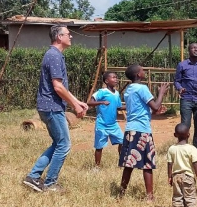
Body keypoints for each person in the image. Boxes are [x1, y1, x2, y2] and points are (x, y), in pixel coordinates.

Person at [22, 25, 89, 193]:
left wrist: (77, 101)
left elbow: (60, 87)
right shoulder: (54, 56)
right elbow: (58, 87)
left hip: (49, 106)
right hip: (52, 107)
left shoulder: (54, 55)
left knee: (58, 143)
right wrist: (74, 105)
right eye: (68, 34)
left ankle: (33, 177)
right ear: (59, 37)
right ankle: (50, 183)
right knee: (64, 145)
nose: (71, 37)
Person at [119, 64, 170, 201]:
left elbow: (146, 109)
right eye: (142, 70)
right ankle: (149, 196)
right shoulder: (142, 88)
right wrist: (161, 93)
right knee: (147, 163)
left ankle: (121, 193)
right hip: (142, 130)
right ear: (138, 75)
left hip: (130, 129)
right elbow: (155, 106)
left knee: (129, 163)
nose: (144, 71)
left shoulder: (129, 89)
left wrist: (155, 110)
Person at [174, 42, 197, 150]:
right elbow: (176, 81)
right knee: (185, 126)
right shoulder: (182, 65)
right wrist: (180, 88)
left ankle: (196, 150)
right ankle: (184, 149)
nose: (196, 50)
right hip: (186, 99)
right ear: (189, 51)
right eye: (193, 48)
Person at [166, 123, 197, 207]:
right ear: (189, 135)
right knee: (190, 196)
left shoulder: (172, 149)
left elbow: (169, 164)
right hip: (188, 176)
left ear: (175, 135)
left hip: (176, 177)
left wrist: (169, 177)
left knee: (177, 196)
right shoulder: (191, 148)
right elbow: (195, 163)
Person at [87, 71, 124, 168]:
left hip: (113, 124)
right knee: (99, 147)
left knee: (123, 142)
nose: (116, 79)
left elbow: (119, 107)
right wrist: (102, 102)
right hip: (102, 124)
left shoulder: (116, 93)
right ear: (106, 81)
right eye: (113, 77)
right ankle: (97, 166)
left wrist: (131, 106)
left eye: (116, 77)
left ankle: (121, 163)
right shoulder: (101, 92)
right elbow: (89, 103)